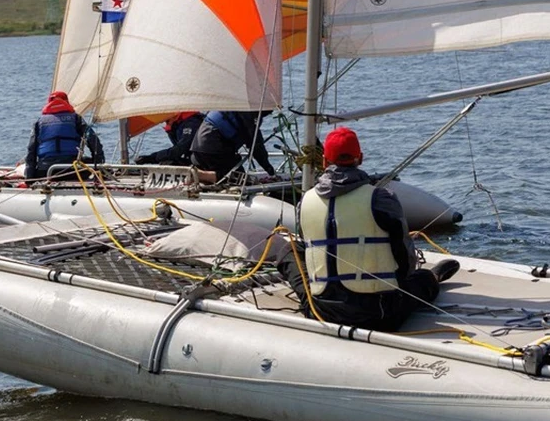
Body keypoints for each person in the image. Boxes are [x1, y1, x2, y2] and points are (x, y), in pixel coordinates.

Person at [277, 127, 459, 331]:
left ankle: (311, 298)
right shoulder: (381, 199)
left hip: (322, 310)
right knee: (421, 280)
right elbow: (404, 256)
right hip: (378, 313)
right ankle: (432, 278)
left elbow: (309, 245)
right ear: (360, 158)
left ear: (324, 162)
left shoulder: (306, 201)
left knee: (288, 252)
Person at [24, 90, 104, 180]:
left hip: (45, 172)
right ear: (66, 102)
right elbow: (93, 140)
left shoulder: (39, 123)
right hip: (72, 170)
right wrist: (99, 166)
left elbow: (31, 150)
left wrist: (29, 178)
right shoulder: (76, 119)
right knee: (88, 163)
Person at [189, 110, 276, 182]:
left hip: (197, 146)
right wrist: (269, 169)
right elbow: (256, 146)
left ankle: (199, 176)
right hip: (213, 146)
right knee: (239, 178)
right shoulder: (248, 115)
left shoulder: (235, 108)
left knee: (230, 168)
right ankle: (200, 175)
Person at [135, 112, 204, 166]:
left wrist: (151, 158)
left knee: (168, 163)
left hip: (203, 161)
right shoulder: (179, 124)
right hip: (193, 158)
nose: (164, 122)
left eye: (166, 120)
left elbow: (180, 149)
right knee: (166, 162)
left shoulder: (192, 123)